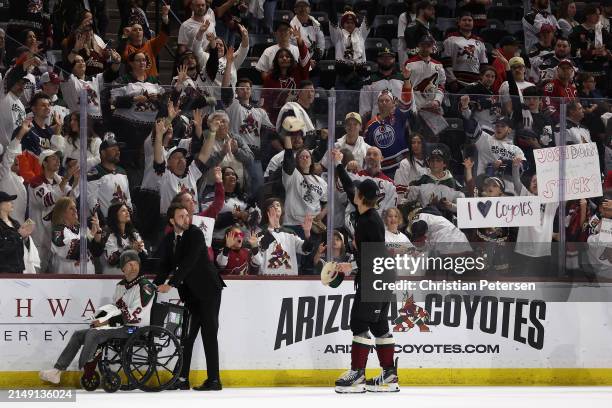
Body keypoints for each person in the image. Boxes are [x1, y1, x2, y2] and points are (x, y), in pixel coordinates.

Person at [331, 148, 399, 393]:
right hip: (379, 278)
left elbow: (375, 256)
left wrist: (352, 265)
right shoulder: (364, 209)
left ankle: (358, 375)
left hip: (375, 278)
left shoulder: (371, 222)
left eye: (357, 191)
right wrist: (339, 164)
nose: (353, 192)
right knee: (379, 325)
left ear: (361, 197)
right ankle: (389, 376)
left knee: (359, 321)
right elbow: (350, 187)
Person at [39, 250, 156, 385]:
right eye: (130, 264)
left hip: (135, 329)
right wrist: (100, 320)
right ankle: (57, 371)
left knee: (95, 333)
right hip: (120, 326)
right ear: (123, 268)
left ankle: (86, 369)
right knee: (79, 335)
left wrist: (105, 322)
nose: (134, 267)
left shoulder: (145, 286)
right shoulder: (120, 286)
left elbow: (133, 316)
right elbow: (114, 310)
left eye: (136, 264)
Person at [155, 203, 226, 391]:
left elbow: (189, 263)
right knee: (187, 336)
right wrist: (154, 285)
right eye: (181, 216)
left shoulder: (195, 234)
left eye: (187, 215)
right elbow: (164, 265)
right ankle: (183, 378)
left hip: (208, 290)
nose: (186, 219)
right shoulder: (170, 238)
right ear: (172, 220)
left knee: (208, 333)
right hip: (191, 294)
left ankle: (214, 380)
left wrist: (170, 284)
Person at [363, 65, 414, 178]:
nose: (384, 103)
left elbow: (406, 101)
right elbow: (366, 147)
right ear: (377, 104)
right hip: (382, 170)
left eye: (387, 100)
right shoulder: (371, 124)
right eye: (381, 101)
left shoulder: (399, 115)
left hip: (402, 167)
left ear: (393, 103)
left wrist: (406, 80)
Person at [251, 198, 315, 275]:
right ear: (267, 211)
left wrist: (307, 233)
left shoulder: (290, 233)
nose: (276, 207)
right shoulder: (260, 233)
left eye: (278, 205)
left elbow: (306, 250)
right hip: (267, 281)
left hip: (289, 281)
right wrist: (271, 228)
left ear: (282, 210)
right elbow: (256, 260)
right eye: (272, 206)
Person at [50, 196, 104, 274]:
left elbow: (97, 252)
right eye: (71, 208)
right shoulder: (57, 231)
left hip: (89, 280)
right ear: (62, 212)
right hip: (65, 281)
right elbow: (75, 251)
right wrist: (91, 234)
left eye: (75, 207)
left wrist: (98, 231)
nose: (75, 210)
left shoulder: (83, 228)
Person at [441, 10, 488, 93]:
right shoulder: (450, 38)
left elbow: (484, 64)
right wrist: (451, 80)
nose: (467, 22)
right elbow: (446, 62)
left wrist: (481, 81)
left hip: (475, 82)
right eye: (464, 20)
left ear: (473, 23)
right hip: (456, 82)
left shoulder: (480, 41)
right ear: (459, 22)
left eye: (470, 20)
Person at [103, 202, 147, 275]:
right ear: (115, 215)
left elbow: (145, 258)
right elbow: (112, 260)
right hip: (113, 276)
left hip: (132, 275)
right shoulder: (108, 233)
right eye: (123, 211)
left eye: (127, 210)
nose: (127, 212)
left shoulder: (134, 234)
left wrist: (140, 251)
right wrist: (131, 249)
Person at [0, 191, 36, 273]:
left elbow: (20, 244)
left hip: (18, 269)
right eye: (8, 201)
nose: (12, 203)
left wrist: (26, 237)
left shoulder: (15, 223)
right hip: (4, 271)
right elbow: (2, 247)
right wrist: (19, 235)